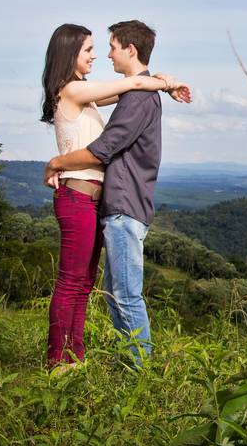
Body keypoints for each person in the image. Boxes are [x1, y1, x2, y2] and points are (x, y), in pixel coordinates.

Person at [44, 20, 185, 367]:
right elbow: (133, 84)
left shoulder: (85, 92)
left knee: (83, 285)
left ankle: (73, 358)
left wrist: (162, 83)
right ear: (69, 54)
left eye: (102, 47)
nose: (98, 55)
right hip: (78, 195)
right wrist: (56, 161)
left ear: (130, 50)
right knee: (73, 283)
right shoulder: (70, 89)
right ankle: (61, 360)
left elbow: (130, 86)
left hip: (92, 199)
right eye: (89, 50)